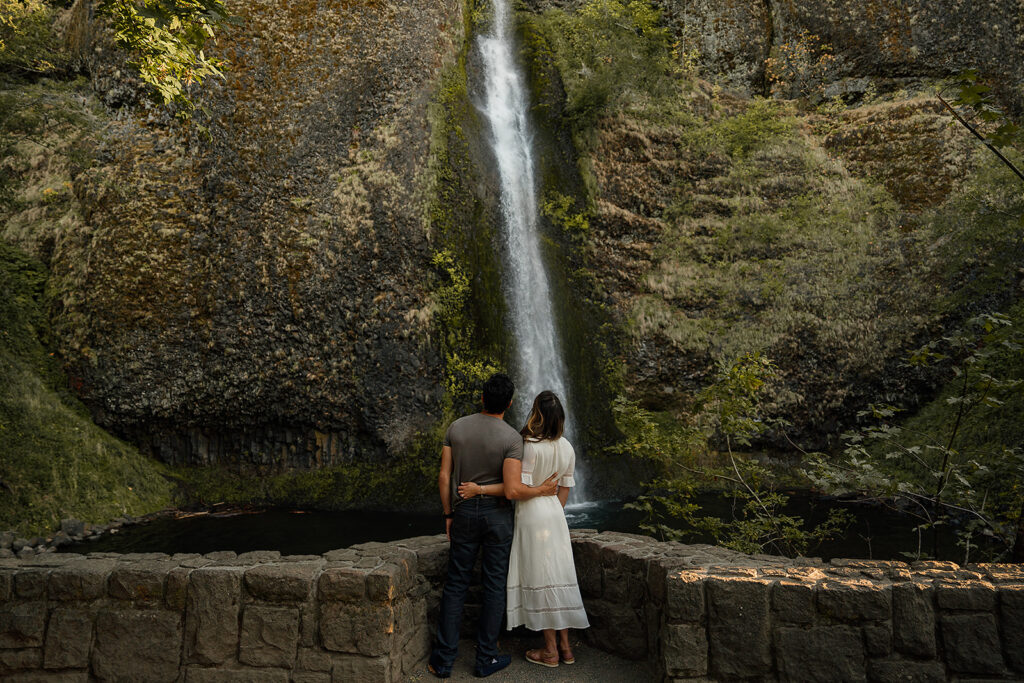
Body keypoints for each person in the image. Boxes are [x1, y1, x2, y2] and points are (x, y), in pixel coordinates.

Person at [428, 373, 559, 679]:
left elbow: (444, 476)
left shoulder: (456, 427)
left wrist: (448, 513)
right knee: (494, 586)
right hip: (497, 517)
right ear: (510, 403)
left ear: (483, 398)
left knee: (456, 584)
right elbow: (511, 489)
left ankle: (443, 660)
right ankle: (485, 657)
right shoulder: (512, 438)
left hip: (462, 513)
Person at [505, 390, 589, 667]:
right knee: (557, 575)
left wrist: (539, 500)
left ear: (536, 414)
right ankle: (566, 648)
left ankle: (550, 650)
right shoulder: (567, 447)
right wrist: (552, 510)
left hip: (532, 514)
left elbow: (520, 489)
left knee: (541, 578)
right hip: (555, 515)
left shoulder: (528, 445)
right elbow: (564, 491)